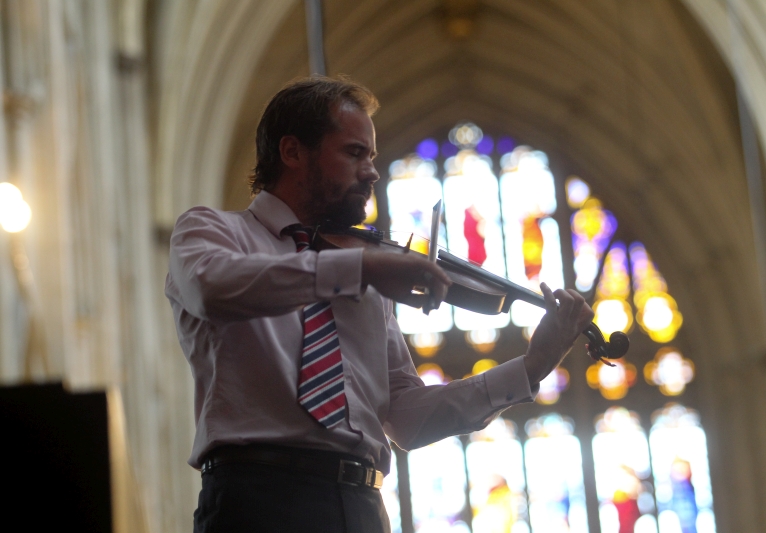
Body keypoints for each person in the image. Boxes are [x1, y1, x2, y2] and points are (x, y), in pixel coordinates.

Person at [165, 76, 594, 533]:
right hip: (257, 500)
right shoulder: (213, 232)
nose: (371, 171)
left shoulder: (365, 271)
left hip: (363, 507)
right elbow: (211, 288)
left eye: (370, 156)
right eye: (354, 153)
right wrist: (359, 269)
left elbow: (406, 417)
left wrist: (531, 367)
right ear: (292, 152)